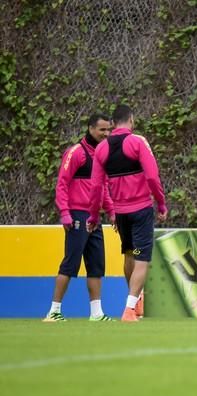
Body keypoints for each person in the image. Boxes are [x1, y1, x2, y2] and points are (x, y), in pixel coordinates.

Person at [86, 104, 167, 322]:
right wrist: (161, 204)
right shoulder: (137, 142)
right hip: (140, 209)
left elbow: (95, 187)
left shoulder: (101, 148)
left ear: (112, 124)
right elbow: (152, 177)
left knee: (129, 254)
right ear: (130, 120)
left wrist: (93, 216)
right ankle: (130, 308)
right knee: (142, 260)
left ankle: (134, 299)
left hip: (120, 214)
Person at [44, 113, 114, 322]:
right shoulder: (75, 153)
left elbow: (103, 188)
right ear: (91, 128)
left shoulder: (103, 155)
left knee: (96, 265)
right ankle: (53, 311)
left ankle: (96, 313)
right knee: (70, 263)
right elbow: (62, 184)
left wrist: (111, 210)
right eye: (102, 130)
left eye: (108, 130)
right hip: (77, 215)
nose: (106, 134)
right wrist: (65, 213)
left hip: (94, 218)